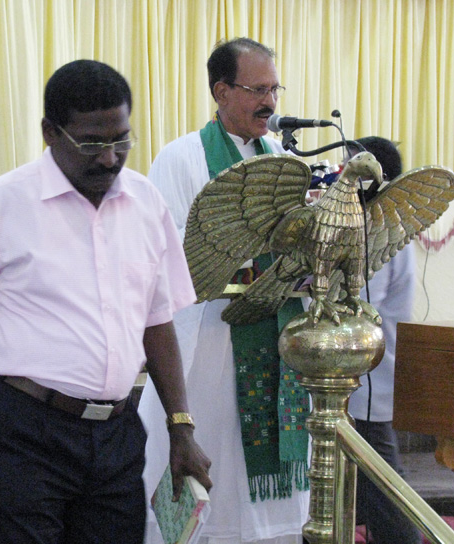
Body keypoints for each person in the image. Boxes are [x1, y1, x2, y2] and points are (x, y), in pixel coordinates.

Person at [0, 60, 212, 544]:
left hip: (116, 434)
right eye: (91, 143)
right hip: (24, 432)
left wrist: (181, 427)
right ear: (50, 132)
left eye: (121, 140)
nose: (109, 158)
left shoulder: (146, 204)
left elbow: (157, 322)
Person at [138, 38, 310, 544]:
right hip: (207, 350)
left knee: (263, 512)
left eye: (274, 89)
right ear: (221, 91)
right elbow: (164, 259)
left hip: (275, 346)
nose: (270, 102)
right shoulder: (181, 158)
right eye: (258, 90)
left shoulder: (283, 158)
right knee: (206, 483)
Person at [348, 136, 422, 544]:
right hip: (361, 377)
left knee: (386, 492)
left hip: (365, 379)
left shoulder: (379, 229)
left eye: (350, 170)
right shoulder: (380, 223)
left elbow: (359, 302)